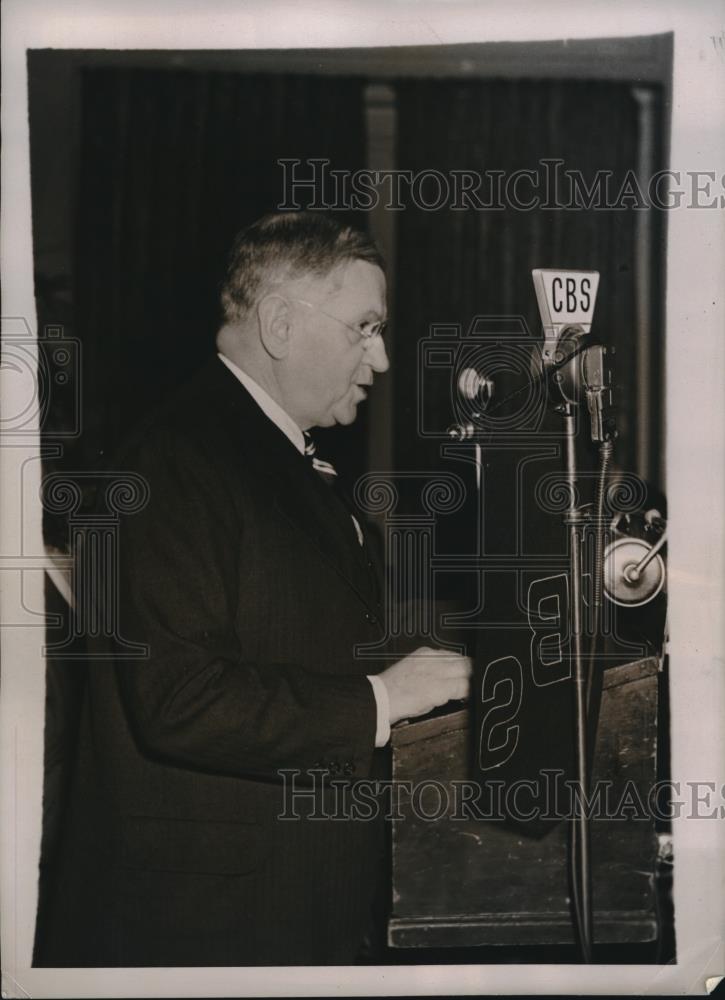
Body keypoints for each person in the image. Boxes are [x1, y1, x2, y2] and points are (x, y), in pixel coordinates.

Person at [35, 211, 471, 967]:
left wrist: (448, 660)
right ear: (278, 323)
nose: (381, 358)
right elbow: (182, 700)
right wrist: (383, 699)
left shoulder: (264, 454)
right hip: (205, 925)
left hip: (278, 901)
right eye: (363, 327)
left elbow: (303, 637)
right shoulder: (176, 460)